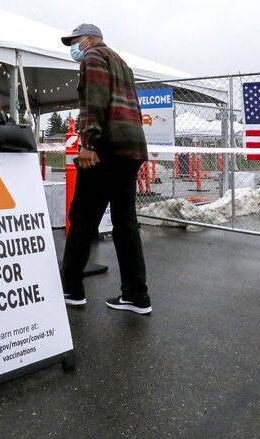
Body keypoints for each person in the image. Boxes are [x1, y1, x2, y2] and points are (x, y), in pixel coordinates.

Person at [59, 23, 152, 315]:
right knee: (125, 224)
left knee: (83, 218)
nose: (74, 48)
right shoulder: (121, 62)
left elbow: (94, 102)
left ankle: (71, 289)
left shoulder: (93, 57)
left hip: (106, 150)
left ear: (88, 39)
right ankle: (136, 295)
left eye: (75, 42)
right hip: (131, 148)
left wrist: (88, 143)